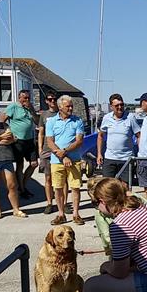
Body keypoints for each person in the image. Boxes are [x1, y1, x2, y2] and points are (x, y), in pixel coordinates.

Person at [45, 95, 86, 225]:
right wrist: (63, 156)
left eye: (71, 106)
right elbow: (50, 141)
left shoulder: (77, 121)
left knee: (75, 187)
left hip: (74, 160)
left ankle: (76, 214)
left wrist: (66, 152)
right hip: (56, 161)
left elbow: (79, 140)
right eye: (68, 106)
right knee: (57, 187)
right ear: (60, 107)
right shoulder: (51, 121)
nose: (71, 108)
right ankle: (61, 213)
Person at [97, 93, 140, 182]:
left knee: (125, 187)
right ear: (111, 106)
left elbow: (138, 136)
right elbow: (100, 136)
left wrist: (139, 154)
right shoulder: (107, 118)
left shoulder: (130, 117)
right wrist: (99, 154)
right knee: (108, 187)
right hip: (110, 158)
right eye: (117, 105)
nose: (120, 107)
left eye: (121, 105)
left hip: (126, 158)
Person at [5, 89, 39, 199]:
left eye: (28, 98)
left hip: (29, 139)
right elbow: (2, 120)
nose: (27, 100)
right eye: (25, 98)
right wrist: (8, 132)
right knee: (20, 165)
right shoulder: (13, 107)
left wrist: (32, 110)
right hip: (18, 141)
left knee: (34, 164)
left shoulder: (30, 108)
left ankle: (22, 185)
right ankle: (22, 189)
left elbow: (37, 122)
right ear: (20, 98)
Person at [37, 90, 65, 214]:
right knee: (48, 178)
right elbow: (41, 133)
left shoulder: (62, 113)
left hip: (60, 150)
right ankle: (49, 203)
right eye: (50, 99)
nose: (52, 101)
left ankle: (63, 204)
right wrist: (39, 149)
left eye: (54, 99)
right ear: (46, 101)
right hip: (47, 150)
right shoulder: (44, 115)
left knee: (63, 179)